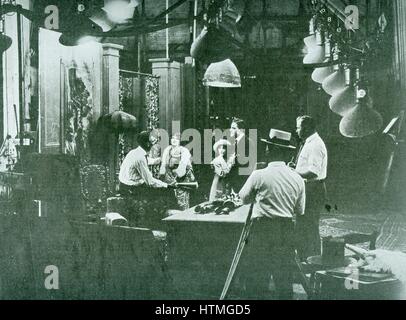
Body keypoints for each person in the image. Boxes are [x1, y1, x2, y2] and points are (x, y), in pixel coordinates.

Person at [237, 129, 305, 300]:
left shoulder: (259, 175)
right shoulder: (297, 178)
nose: (266, 150)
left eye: (267, 148)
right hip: (285, 230)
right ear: (285, 153)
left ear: (270, 150)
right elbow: (300, 210)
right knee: (284, 279)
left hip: (262, 230)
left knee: (257, 279)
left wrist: (258, 196)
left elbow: (243, 199)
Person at [119, 131, 175, 228]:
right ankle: (163, 223)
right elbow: (150, 182)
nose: (154, 144)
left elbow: (147, 161)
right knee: (168, 192)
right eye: (153, 142)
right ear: (147, 144)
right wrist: (167, 185)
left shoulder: (135, 152)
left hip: (124, 185)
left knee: (162, 189)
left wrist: (158, 160)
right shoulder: (140, 157)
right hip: (130, 189)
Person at [294, 115, 328, 261]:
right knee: (304, 225)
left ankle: (311, 260)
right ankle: (305, 259)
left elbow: (313, 172)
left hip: (313, 189)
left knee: (309, 226)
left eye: (298, 127)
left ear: (306, 128)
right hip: (309, 188)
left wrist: (293, 172)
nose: (296, 130)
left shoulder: (315, 145)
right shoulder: (309, 142)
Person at [160, 133, 195, 210]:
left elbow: (181, 171)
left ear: (180, 141)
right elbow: (163, 166)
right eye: (173, 138)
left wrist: (175, 175)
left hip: (182, 179)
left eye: (177, 139)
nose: (174, 140)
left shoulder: (184, 151)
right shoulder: (167, 149)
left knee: (182, 202)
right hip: (169, 178)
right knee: (169, 203)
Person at [228, 117, 257, 192]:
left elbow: (250, 164)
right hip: (234, 182)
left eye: (234, 128)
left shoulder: (248, 142)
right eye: (231, 127)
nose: (230, 130)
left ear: (241, 130)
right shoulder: (235, 141)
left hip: (242, 182)